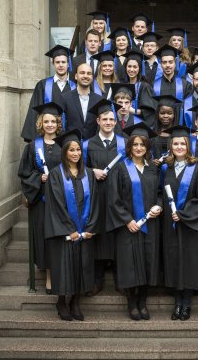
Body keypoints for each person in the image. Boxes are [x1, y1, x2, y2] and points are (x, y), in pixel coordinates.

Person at [108, 122, 163, 320]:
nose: (139, 148)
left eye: (143, 145)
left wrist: (159, 205)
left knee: (148, 262)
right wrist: (127, 220)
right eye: (135, 145)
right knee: (130, 265)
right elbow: (113, 200)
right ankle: (132, 303)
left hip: (150, 225)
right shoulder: (121, 169)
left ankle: (143, 302)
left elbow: (160, 193)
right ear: (129, 147)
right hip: (128, 227)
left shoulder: (153, 170)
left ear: (148, 148)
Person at [43, 129, 100, 321]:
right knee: (64, 267)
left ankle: (75, 302)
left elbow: (95, 203)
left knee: (81, 267)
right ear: (64, 152)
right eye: (71, 150)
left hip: (84, 232)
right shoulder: (55, 175)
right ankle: (61, 301)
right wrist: (70, 229)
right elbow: (56, 205)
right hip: (65, 233)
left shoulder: (89, 174)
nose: (76, 153)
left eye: (78, 150)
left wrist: (90, 227)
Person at [160, 125, 198, 321]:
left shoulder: (197, 169)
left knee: (188, 262)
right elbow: (158, 192)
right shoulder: (165, 168)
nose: (179, 146)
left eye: (182, 143)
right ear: (171, 146)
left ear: (188, 146)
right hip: (169, 224)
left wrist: (184, 214)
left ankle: (186, 303)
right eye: (176, 143)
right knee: (173, 261)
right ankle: (177, 302)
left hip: (189, 225)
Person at [17, 102, 64, 294]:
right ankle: (48, 276)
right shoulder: (32, 147)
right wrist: (39, 178)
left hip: (61, 199)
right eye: (47, 121)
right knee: (43, 236)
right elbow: (24, 172)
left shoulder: (65, 145)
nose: (50, 124)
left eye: (53, 121)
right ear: (41, 123)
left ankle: (59, 273)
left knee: (58, 237)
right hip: (41, 200)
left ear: (58, 123)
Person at [83, 98, 126, 296]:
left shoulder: (124, 143)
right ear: (97, 121)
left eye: (111, 119)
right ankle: (97, 279)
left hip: (120, 197)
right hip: (97, 196)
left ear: (116, 122)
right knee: (99, 236)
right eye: (104, 119)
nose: (108, 122)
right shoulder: (87, 145)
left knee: (119, 236)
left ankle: (121, 279)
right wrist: (92, 171)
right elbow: (78, 168)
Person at [21, 45, 76, 142]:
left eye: (63, 62)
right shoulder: (43, 85)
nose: (60, 65)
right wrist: (34, 137)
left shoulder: (75, 87)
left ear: (68, 64)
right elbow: (34, 112)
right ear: (53, 64)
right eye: (57, 62)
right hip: (47, 136)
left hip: (69, 137)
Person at [153, 45, 194, 122]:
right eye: (164, 62)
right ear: (161, 64)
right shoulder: (153, 86)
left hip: (179, 127)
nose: (167, 65)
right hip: (159, 128)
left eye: (170, 62)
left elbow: (189, 109)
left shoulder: (185, 85)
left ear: (175, 63)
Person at [63, 63, 103, 139]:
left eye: (89, 73)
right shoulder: (65, 98)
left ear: (92, 77)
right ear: (76, 76)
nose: (85, 76)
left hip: (92, 145)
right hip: (71, 144)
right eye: (82, 73)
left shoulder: (99, 100)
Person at [122, 51, 158, 128]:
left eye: (135, 67)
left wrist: (134, 111)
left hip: (140, 127)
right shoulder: (123, 86)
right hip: (124, 125)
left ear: (139, 68)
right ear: (125, 67)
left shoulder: (144, 86)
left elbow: (150, 111)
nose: (131, 70)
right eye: (129, 66)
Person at [152, 95, 181, 162]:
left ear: (174, 114)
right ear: (157, 114)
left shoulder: (179, 133)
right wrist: (152, 161)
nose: (165, 116)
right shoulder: (152, 132)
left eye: (169, 113)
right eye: (162, 113)